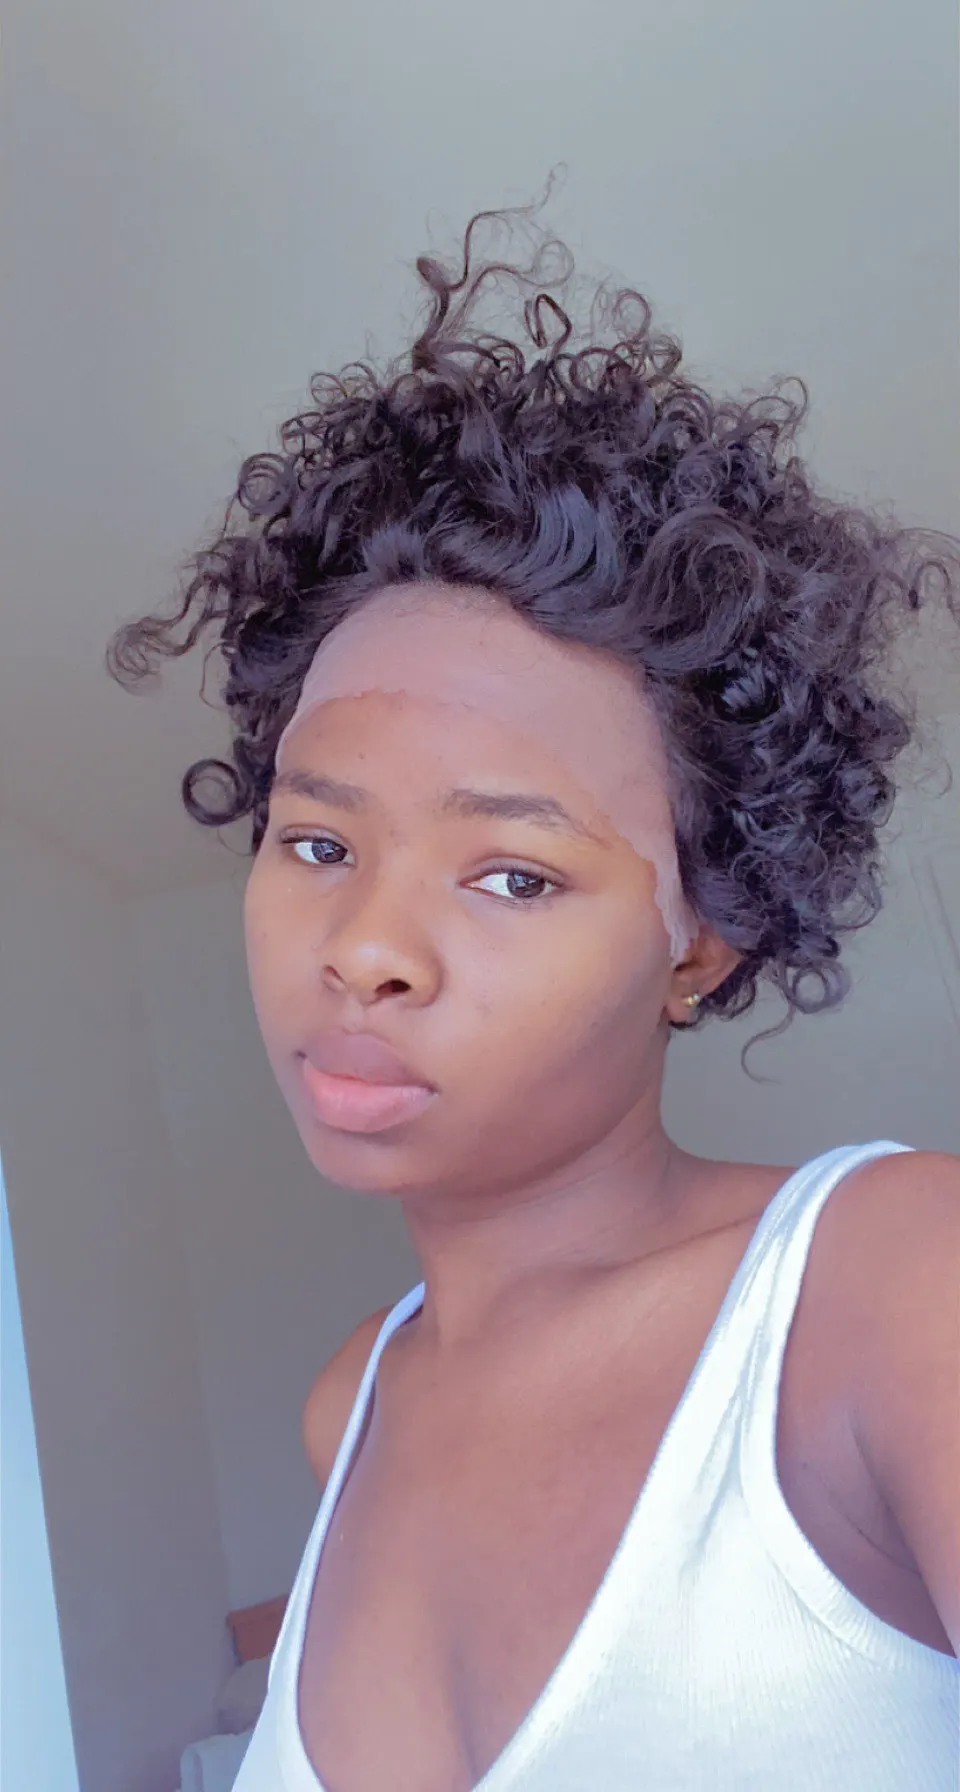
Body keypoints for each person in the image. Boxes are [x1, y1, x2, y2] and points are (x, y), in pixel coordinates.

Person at [108, 204, 959, 1790]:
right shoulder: (352, 1403)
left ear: (700, 943)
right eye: (317, 842)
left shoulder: (890, 1290)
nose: (366, 947)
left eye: (512, 874)